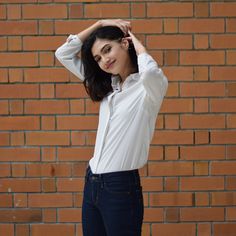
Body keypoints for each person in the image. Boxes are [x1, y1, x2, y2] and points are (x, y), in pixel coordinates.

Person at [55, 19, 168, 236]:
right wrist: (99, 24)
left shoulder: (147, 90)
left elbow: (152, 72)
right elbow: (63, 53)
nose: (104, 60)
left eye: (108, 50)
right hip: (92, 183)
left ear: (125, 44)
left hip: (120, 187)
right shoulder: (108, 87)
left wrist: (134, 40)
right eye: (98, 58)